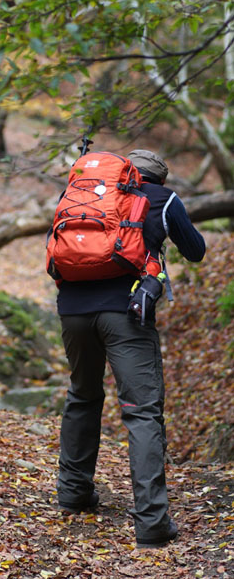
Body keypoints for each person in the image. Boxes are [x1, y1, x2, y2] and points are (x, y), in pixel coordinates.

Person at [54, 148, 206, 548]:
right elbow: (196, 250)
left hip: (72, 309)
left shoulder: (83, 191)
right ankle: (152, 522)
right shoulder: (163, 197)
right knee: (141, 413)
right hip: (126, 314)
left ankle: (72, 494)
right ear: (159, 177)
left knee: (82, 397)